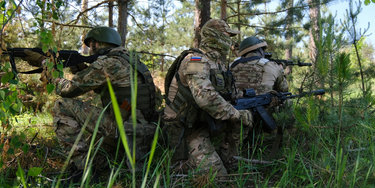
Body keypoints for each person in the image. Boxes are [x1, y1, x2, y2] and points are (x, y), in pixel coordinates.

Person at [22, 26, 157, 181]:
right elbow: (112, 88)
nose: (90, 49)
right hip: (141, 131)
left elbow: (67, 90)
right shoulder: (131, 61)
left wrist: (46, 65)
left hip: (123, 130)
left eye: (90, 45)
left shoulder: (108, 63)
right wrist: (83, 69)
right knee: (96, 157)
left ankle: (84, 172)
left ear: (95, 44)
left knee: (62, 105)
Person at [162, 19, 252, 176]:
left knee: (244, 120)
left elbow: (226, 94)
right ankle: (189, 163)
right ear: (214, 35)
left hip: (204, 120)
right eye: (227, 35)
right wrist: (236, 114)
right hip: (185, 127)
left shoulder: (218, 63)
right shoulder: (195, 59)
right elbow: (205, 97)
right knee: (217, 177)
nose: (230, 39)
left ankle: (229, 160)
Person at [230, 36, 293, 130]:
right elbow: (283, 89)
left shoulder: (230, 65)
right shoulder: (271, 65)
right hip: (262, 114)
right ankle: (283, 135)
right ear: (259, 50)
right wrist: (280, 70)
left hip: (235, 113)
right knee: (287, 100)